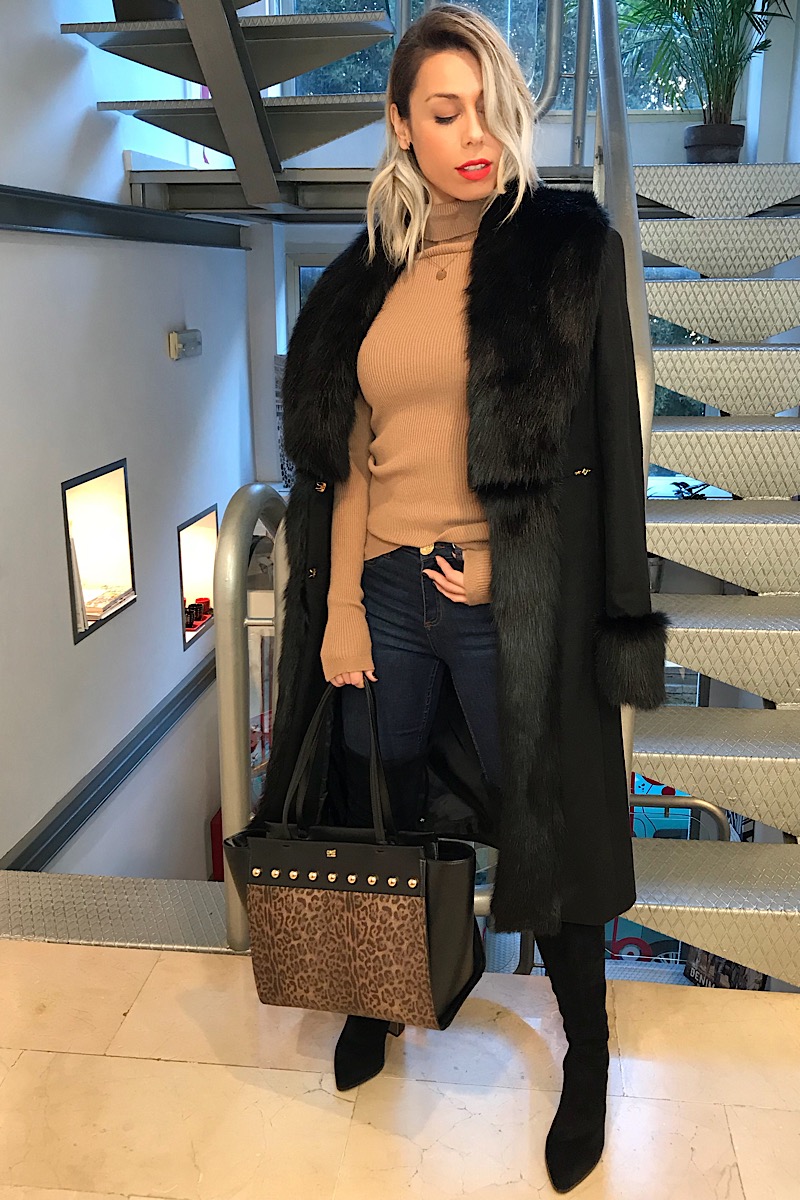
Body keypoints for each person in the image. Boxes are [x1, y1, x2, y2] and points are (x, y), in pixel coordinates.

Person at [262, 4, 670, 1193]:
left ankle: (586, 1049)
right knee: (377, 795)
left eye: (491, 108)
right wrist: (342, 609)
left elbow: (607, 451)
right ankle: (378, 992)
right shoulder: (361, 279)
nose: (474, 134)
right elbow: (345, 462)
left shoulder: (564, 250)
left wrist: (515, 563)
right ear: (400, 125)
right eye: (445, 113)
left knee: (546, 822)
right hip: (385, 591)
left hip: (505, 598)